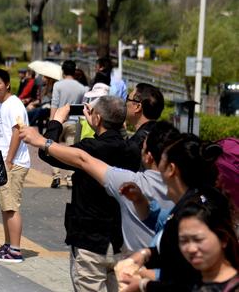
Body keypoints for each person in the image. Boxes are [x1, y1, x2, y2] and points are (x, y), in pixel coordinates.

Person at [21, 121, 180, 254]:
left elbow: (83, 160)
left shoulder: (131, 182)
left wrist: (43, 139)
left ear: (149, 156)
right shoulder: (191, 191)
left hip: (131, 265)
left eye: (143, 149)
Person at [37, 95, 131, 292]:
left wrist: (57, 120)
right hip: (120, 241)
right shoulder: (132, 149)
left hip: (90, 241)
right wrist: (98, 123)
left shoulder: (89, 149)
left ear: (97, 118)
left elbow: (47, 151)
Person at [118, 135, 226, 292]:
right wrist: (146, 253)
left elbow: (187, 278)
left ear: (171, 169)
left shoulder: (191, 215)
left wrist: (143, 281)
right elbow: (162, 221)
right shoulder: (199, 200)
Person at [0, 68, 31, 264]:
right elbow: (3, 133)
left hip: (13, 163)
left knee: (11, 206)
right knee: (5, 206)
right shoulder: (0, 106)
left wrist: (10, 160)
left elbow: (17, 132)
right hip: (3, 162)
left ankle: (15, 251)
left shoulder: (14, 104)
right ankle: (7, 245)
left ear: (7, 84)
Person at [174, 190, 239, 291]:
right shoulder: (188, 284)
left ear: (223, 239)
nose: (191, 249)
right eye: (184, 241)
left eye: (198, 239)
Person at [50, 60, 87, 188]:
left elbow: (54, 104)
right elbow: (82, 107)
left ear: (63, 71)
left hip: (60, 120)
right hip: (75, 121)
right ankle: (71, 177)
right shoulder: (82, 88)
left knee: (53, 148)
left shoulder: (58, 85)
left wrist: (52, 121)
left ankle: (56, 176)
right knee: (72, 149)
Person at [124, 83, 165, 171]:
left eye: (128, 98)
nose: (125, 102)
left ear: (138, 107)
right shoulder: (164, 136)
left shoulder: (137, 143)